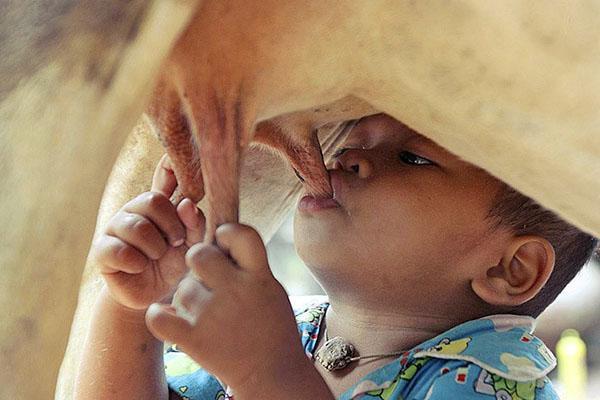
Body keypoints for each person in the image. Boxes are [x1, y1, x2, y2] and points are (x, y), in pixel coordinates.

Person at [74, 113, 598, 399]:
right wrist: (134, 309)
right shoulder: (291, 327)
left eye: (413, 158)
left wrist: (268, 374)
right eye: (352, 140)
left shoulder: (494, 388)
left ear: (511, 269)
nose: (346, 157)